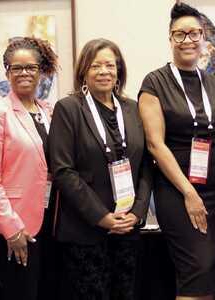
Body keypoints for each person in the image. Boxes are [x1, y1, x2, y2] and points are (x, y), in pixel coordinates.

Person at [138, 3, 215, 300]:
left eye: (194, 33)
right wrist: (189, 193)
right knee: (195, 273)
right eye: (179, 34)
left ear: (204, 38)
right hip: (178, 191)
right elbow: (156, 144)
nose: (188, 40)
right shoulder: (154, 82)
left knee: (211, 278)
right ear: (170, 39)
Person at [49, 38, 152, 300]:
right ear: (84, 71)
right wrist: (101, 216)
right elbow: (63, 170)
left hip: (127, 226)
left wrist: (138, 211)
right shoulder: (69, 109)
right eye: (96, 66)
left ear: (119, 70)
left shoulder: (132, 108)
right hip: (86, 230)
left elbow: (145, 165)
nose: (104, 71)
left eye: (110, 65)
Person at [0, 37, 57, 300]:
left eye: (30, 67)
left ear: (41, 71)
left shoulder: (49, 111)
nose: (24, 73)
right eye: (16, 67)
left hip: (48, 218)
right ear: (7, 72)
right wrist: (12, 229)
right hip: (13, 225)